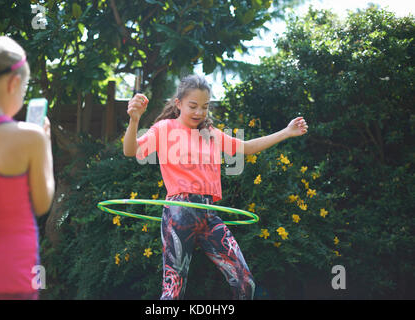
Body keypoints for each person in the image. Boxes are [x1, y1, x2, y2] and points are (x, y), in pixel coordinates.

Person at [123, 74, 308, 300]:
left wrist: (286, 132)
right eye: (193, 106)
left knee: (245, 282)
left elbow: (246, 147)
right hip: (179, 212)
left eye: (205, 107)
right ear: (178, 103)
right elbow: (131, 151)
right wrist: (134, 120)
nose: (199, 112)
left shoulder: (209, 133)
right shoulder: (165, 128)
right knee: (173, 291)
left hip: (210, 215)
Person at [0, 36, 55, 300]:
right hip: (14, 272)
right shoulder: (30, 137)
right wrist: (45, 144)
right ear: (14, 83)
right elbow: (41, 203)